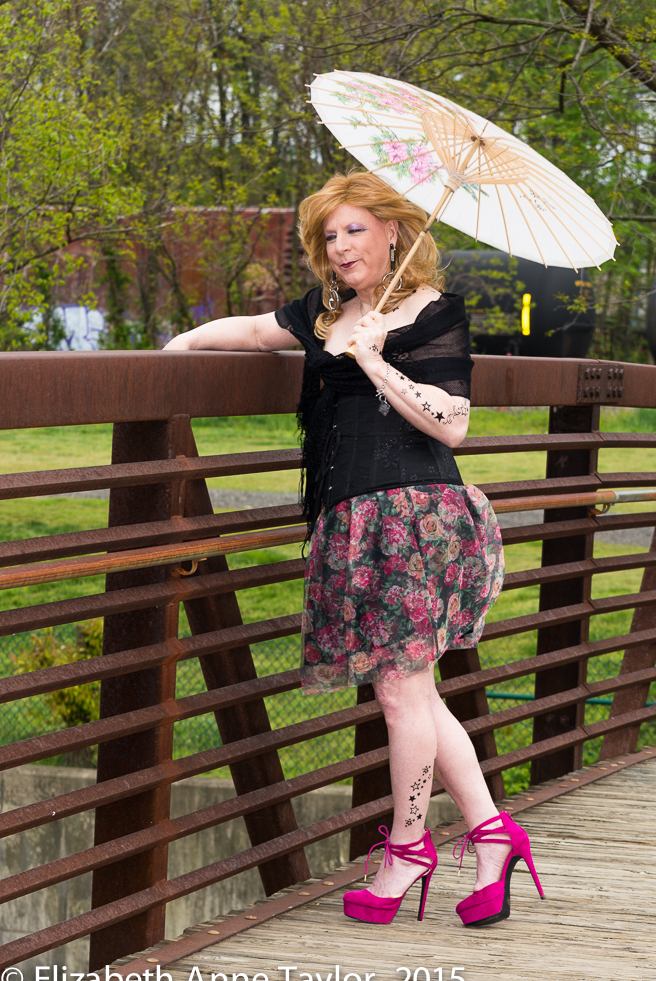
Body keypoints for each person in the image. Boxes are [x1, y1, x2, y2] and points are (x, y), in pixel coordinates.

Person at [163, 172, 544, 927]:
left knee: (399, 692)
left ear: (393, 232)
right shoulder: (325, 312)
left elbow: (454, 423)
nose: (340, 247)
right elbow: (255, 332)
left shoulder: (435, 311)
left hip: (415, 518)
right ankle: (493, 836)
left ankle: (408, 848)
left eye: (355, 230)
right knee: (415, 692)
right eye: (330, 235)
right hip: (350, 520)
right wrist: (180, 345)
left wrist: (376, 362)